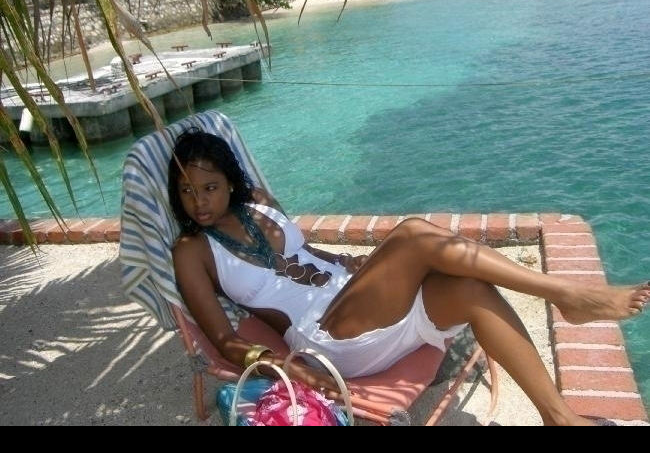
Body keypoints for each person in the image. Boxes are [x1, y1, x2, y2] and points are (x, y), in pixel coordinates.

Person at [169, 129, 649, 426]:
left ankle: (559, 418)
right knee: (414, 235)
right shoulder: (192, 250)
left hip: (361, 304)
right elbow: (223, 339)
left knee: (470, 289)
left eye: (210, 187)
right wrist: (286, 367)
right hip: (327, 338)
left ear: (230, 181)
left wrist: (348, 261)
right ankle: (565, 295)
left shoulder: (257, 204)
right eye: (187, 191)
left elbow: (304, 252)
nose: (200, 202)